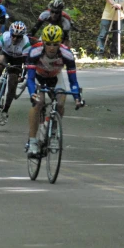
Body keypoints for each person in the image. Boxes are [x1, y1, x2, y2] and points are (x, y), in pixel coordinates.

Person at [26, 25, 82, 156]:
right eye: (48, 44)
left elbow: (73, 80)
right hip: (38, 77)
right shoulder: (35, 51)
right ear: (43, 42)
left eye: (55, 44)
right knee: (38, 103)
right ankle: (33, 141)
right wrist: (32, 93)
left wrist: (77, 98)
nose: (52, 47)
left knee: (60, 103)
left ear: (60, 43)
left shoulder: (67, 54)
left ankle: (53, 134)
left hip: (55, 77)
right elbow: (30, 78)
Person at [0, 21, 32, 126]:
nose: (15, 39)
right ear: (10, 33)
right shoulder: (4, 37)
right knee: (1, 62)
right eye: (13, 36)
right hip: (6, 54)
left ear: (23, 36)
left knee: (12, 82)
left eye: (18, 37)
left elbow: (26, 63)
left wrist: (23, 75)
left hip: (18, 59)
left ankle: (5, 111)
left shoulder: (26, 43)